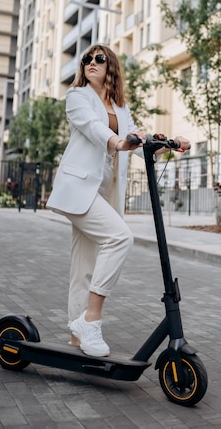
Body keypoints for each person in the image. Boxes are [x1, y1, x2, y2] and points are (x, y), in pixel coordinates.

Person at [46, 44, 190, 357]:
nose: (90, 63)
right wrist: (118, 141)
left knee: (84, 266)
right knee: (119, 238)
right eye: (86, 59)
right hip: (80, 189)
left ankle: (77, 335)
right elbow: (94, 129)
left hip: (104, 193)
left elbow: (135, 143)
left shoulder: (120, 107)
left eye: (98, 58)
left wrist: (168, 144)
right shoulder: (77, 97)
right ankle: (91, 320)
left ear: (111, 66)